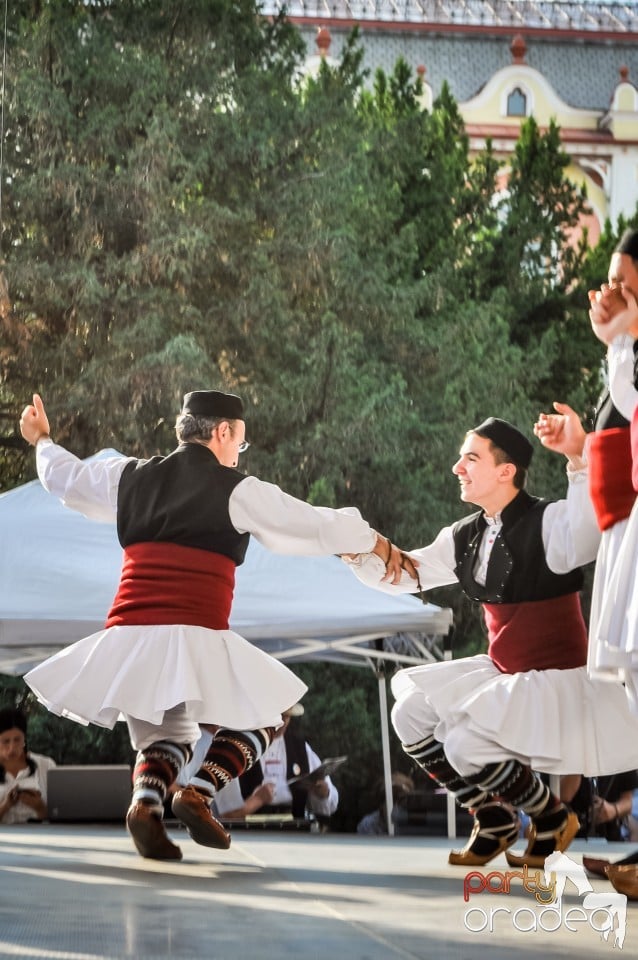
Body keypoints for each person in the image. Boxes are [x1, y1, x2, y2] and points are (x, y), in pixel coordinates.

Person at [19, 390, 404, 861]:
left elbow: (66, 479)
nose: (238, 453)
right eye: (239, 442)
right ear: (223, 432)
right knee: (269, 714)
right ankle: (200, 792)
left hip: (130, 634)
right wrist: (375, 543)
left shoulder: (129, 476)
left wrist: (41, 440)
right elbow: (310, 523)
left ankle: (145, 806)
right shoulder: (235, 489)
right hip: (197, 628)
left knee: (165, 737)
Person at [344, 413, 638, 869]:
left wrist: (578, 458)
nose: (457, 468)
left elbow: (585, 535)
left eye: (470, 459)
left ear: (506, 471)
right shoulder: (463, 536)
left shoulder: (549, 520)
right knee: (409, 715)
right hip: (505, 671)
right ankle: (496, 816)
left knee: (464, 743)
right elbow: (406, 573)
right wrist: (361, 551)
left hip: (556, 677)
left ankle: (552, 817)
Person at [209, 702, 338, 822]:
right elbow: (225, 815)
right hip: (248, 832)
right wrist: (257, 800)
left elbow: (328, 807)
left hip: (294, 829)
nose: (282, 722)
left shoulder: (300, 747)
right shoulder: (238, 746)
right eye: (278, 716)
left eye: (287, 717)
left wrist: (323, 793)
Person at [0, 707, 56, 824]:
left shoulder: (45, 765)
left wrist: (40, 808)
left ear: (24, 739)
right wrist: (6, 806)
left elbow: (61, 814)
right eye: (5, 741)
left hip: (41, 837)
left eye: (17, 740)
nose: (12, 748)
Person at [356, 772, 415, 836]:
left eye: (401, 801)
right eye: (392, 799)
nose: (396, 807)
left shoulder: (414, 823)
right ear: (381, 804)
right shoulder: (368, 825)